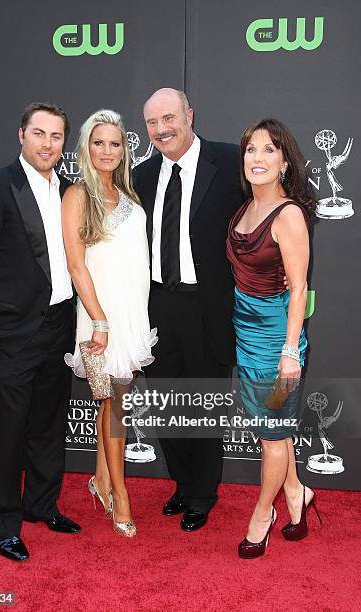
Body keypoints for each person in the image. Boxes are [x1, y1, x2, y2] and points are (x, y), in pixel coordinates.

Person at [0, 102, 81, 562]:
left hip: (58, 326)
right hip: (9, 333)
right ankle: (3, 523)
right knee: (7, 432)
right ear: (21, 135)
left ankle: (42, 505)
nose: (48, 144)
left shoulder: (70, 191)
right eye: (39, 134)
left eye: (56, 136)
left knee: (48, 425)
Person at [133, 88, 243, 532]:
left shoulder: (231, 162)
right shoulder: (140, 175)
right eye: (152, 123)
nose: (162, 129)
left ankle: (203, 492)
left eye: (169, 118)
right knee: (163, 405)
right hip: (157, 304)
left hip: (208, 305)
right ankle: (181, 483)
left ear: (190, 114)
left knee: (203, 404)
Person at [226, 118, 321, 559]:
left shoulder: (289, 215)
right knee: (276, 434)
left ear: (284, 161)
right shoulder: (244, 209)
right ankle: (298, 493)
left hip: (277, 342)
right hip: (245, 333)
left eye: (268, 150)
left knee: (272, 433)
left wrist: (289, 352)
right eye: (251, 150)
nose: (257, 158)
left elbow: (299, 288)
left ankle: (264, 512)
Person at [62, 109, 157, 538]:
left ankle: (101, 479)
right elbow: (76, 267)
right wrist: (99, 322)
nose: (107, 150)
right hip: (99, 321)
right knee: (114, 404)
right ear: (86, 147)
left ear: (125, 149)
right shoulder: (78, 196)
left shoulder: (130, 196)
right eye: (99, 142)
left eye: (115, 143)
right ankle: (121, 495)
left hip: (133, 316)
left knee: (110, 402)